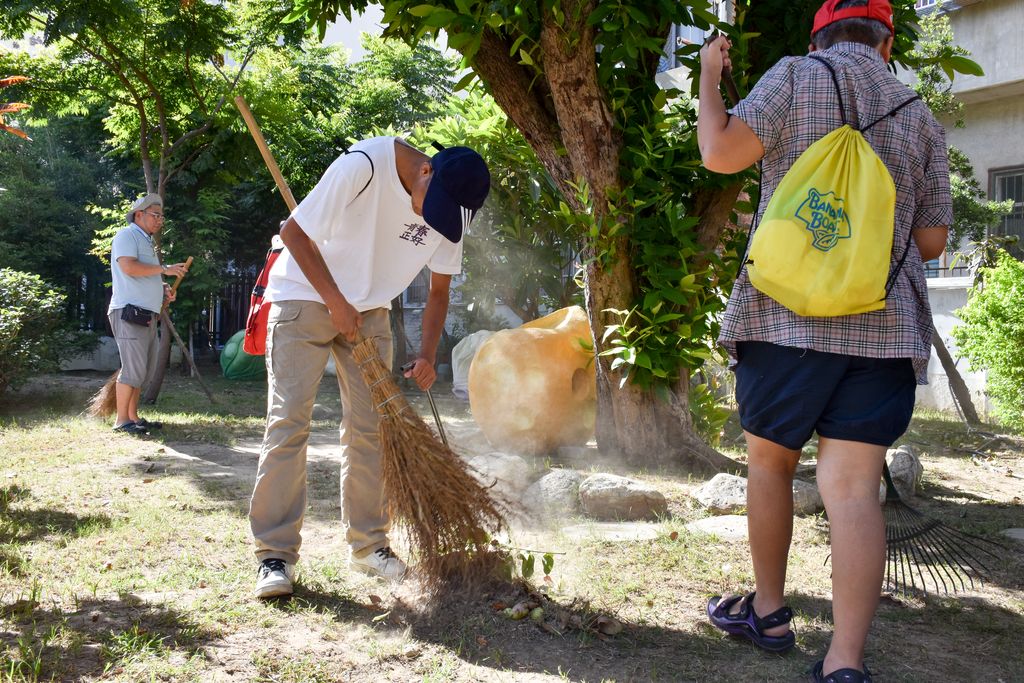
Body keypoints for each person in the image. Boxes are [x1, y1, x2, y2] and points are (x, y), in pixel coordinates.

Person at [697, 2, 950, 682]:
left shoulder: (795, 77)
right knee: (854, 490)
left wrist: (709, 78)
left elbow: (720, 153)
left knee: (771, 465)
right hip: (882, 326)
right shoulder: (918, 113)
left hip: (786, 319)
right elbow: (931, 242)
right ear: (887, 40)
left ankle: (771, 613)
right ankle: (843, 663)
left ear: (819, 33)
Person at [249, 136, 490, 598]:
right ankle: (274, 555)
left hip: (370, 311)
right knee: (289, 422)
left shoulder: (449, 208)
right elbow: (293, 232)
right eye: (429, 207)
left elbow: (438, 291)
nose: (429, 220)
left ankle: (369, 545)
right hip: (305, 295)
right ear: (426, 172)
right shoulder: (363, 166)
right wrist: (336, 302)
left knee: (371, 429)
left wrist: (427, 353)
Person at [107, 193, 189, 436]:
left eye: (161, 216)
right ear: (139, 215)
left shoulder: (146, 241)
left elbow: (147, 274)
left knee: (142, 370)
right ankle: (122, 421)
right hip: (129, 312)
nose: (160, 220)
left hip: (147, 314)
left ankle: (133, 417)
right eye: (155, 215)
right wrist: (165, 269)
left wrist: (163, 289)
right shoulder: (127, 235)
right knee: (133, 369)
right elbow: (128, 267)